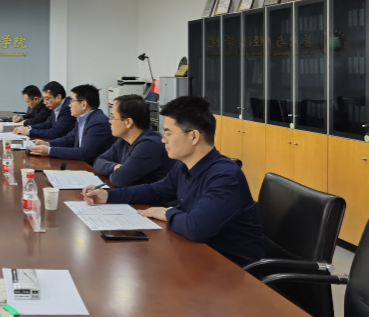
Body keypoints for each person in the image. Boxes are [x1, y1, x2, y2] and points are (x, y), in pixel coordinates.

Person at [84, 96, 263, 267]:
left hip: (232, 268)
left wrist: (168, 212)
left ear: (194, 136)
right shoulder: (184, 165)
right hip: (196, 253)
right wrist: (108, 195)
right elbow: (155, 191)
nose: (163, 140)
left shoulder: (225, 176)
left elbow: (196, 228)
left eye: (168, 133)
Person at [86, 94, 175, 189]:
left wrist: (117, 170)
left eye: (113, 117)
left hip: (151, 198)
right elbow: (98, 162)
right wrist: (115, 167)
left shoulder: (149, 145)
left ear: (128, 122)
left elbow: (118, 179)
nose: (109, 121)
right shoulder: (123, 140)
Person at [28, 84, 113, 165]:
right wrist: (47, 144)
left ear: (83, 104)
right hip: (81, 165)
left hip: (93, 169)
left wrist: (49, 151)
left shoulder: (98, 123)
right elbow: (69, 139)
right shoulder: (83, 118)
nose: (69, 105)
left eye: (72, 101)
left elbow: (83, 153)